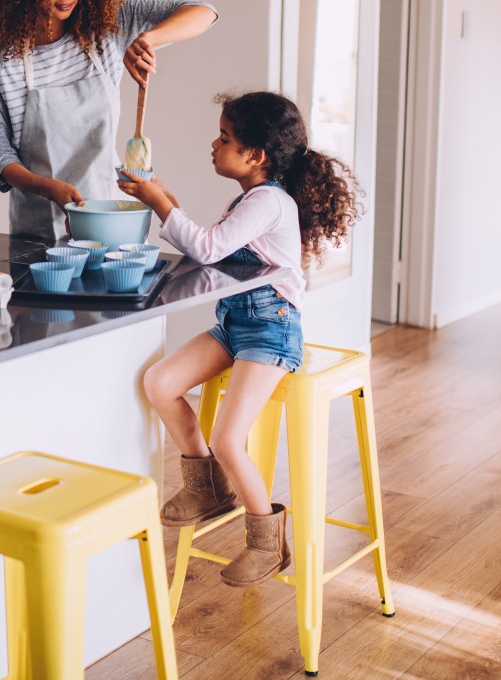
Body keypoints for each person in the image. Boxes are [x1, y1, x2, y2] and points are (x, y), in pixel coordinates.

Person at [117, 91, 363, 588]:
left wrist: (160, 203)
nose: (214, 143)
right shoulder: (251, 199)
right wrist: (166, 201)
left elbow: (209, 248)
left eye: (225, 138)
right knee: (161, 381)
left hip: (271, 328)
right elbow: (218, 245)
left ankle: (266, 542)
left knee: (229, 437)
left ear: (256, 155)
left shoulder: (269, 201)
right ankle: (207, 488)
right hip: (237, 324)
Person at [0, 0, 217, 241]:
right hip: (40, 227)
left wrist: (148, 40)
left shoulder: (106, 26)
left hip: (111, 217)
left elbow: (204, 12)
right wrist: (47, 187)